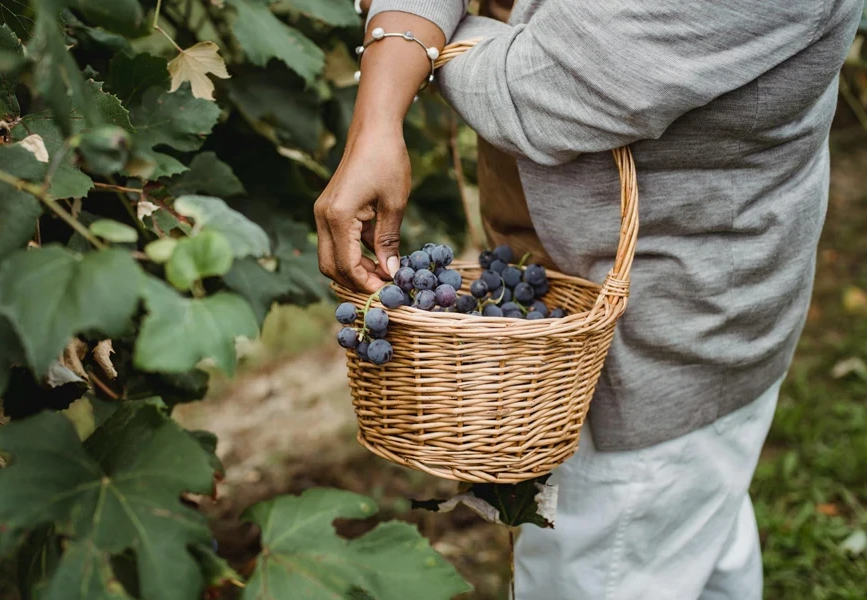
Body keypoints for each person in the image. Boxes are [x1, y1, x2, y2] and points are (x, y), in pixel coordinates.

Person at [314, 1, 862, 598]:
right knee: (690, 530)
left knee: (618, 542)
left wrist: (406, 42)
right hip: (568, 308)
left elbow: (535, 87)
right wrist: (383, 107)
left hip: (666, 340)